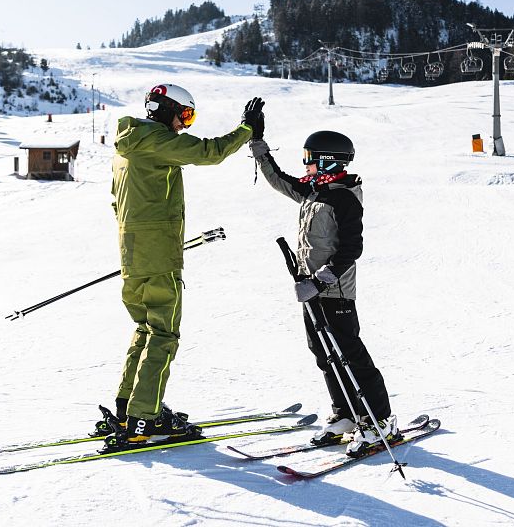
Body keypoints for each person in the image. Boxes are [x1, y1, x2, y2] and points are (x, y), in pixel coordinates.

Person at [104, 84, 264, 449]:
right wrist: (247, 130)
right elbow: (209, 152)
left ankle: (127, 407)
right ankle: (144, 417)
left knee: (146, 328)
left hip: (133, 254)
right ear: (167, 110)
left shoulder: (125, 148)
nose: (184, 125)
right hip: (157, 254)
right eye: (185, 115)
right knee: (163, 333)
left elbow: (117, 203)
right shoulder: (155, 139)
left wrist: (141, 244)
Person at [249, 129, 397, 452]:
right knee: (324, 354)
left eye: (310, 161)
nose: (305, 167)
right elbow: (279, 180)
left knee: (350, 354)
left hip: (334, 292)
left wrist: (319, 281)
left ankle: (381, 419)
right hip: (310, 290)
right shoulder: (314, 191)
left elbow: (350, 250)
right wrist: (257, 144)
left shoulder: (343, 197)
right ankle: (345, 412)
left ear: (328, 162)